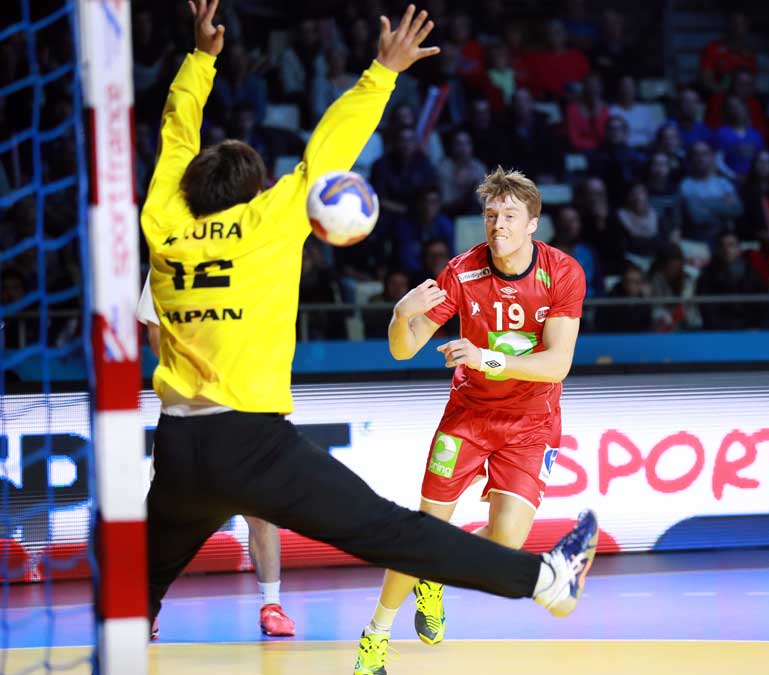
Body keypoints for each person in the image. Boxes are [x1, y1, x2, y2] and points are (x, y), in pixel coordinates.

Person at [142, 0, 598, 661]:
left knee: (132, 598)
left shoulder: (164, 222)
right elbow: (327, 153)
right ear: (256, 192)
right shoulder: (272, 221)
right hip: (252, 440)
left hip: (180, 444)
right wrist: (381, 72)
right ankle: (547, 581)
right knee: (391, 530)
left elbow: (173, 137)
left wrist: (199, 60)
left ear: (187, 191)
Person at [355, 167, 587, 675]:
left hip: (531, 423)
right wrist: (399, 315)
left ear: (533, 223)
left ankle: (434, 576)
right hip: (469, 418)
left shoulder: (563, 272)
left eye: (509, 216)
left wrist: (487, 359)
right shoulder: (461, 272)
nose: (497, 226)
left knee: (507, 542)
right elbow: (405, 349)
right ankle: (375, 634)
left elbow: (558, 363)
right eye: (490, 216)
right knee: (424, 532)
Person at [137, 275, 296, 638]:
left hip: (248, 408)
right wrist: (200, 376)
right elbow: (154, 335)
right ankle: (145, 606)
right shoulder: (169, 255)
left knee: (260, 511)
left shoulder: (255, 259)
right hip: (187, 411)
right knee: (165, 515)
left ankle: (272, 605)